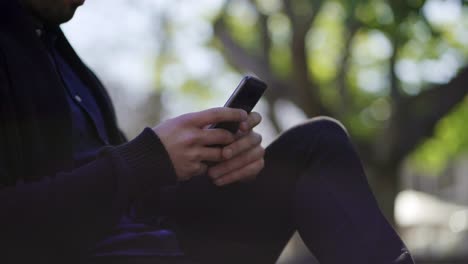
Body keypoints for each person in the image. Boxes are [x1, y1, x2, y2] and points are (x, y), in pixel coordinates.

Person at [0, 0, 414, 263]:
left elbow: (128, 199)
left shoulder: (71, 68)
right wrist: (148, 159)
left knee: (317, 144)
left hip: (167, 240)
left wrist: (207, 164)